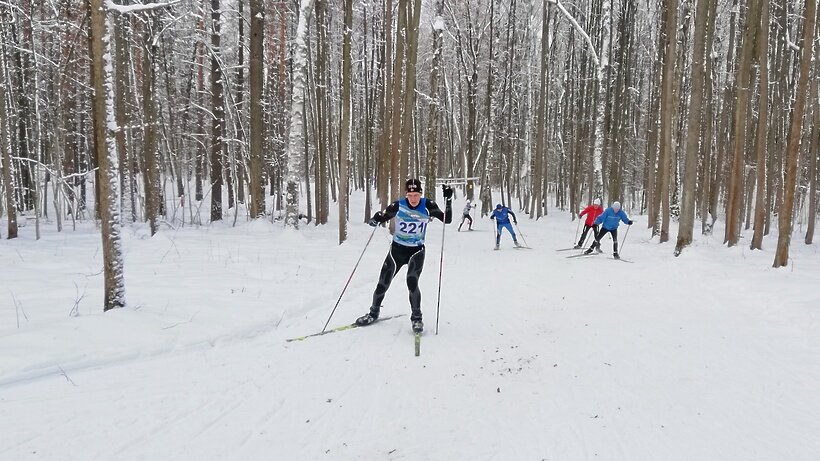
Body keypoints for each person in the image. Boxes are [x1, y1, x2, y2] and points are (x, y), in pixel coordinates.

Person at [356, 179, 453, 333]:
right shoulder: (398, 205)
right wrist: (375, 219)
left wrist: (448, 200)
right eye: (410, 195)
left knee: (412, 283)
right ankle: (373, 313)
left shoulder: (428, 206)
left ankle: (417, 319)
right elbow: (382, 217)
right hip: (397, 251)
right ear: (406, 194)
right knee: (383, 283)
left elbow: (447, 220)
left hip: (416, 251)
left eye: (416, 195)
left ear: (420, 194)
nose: (413, 198)